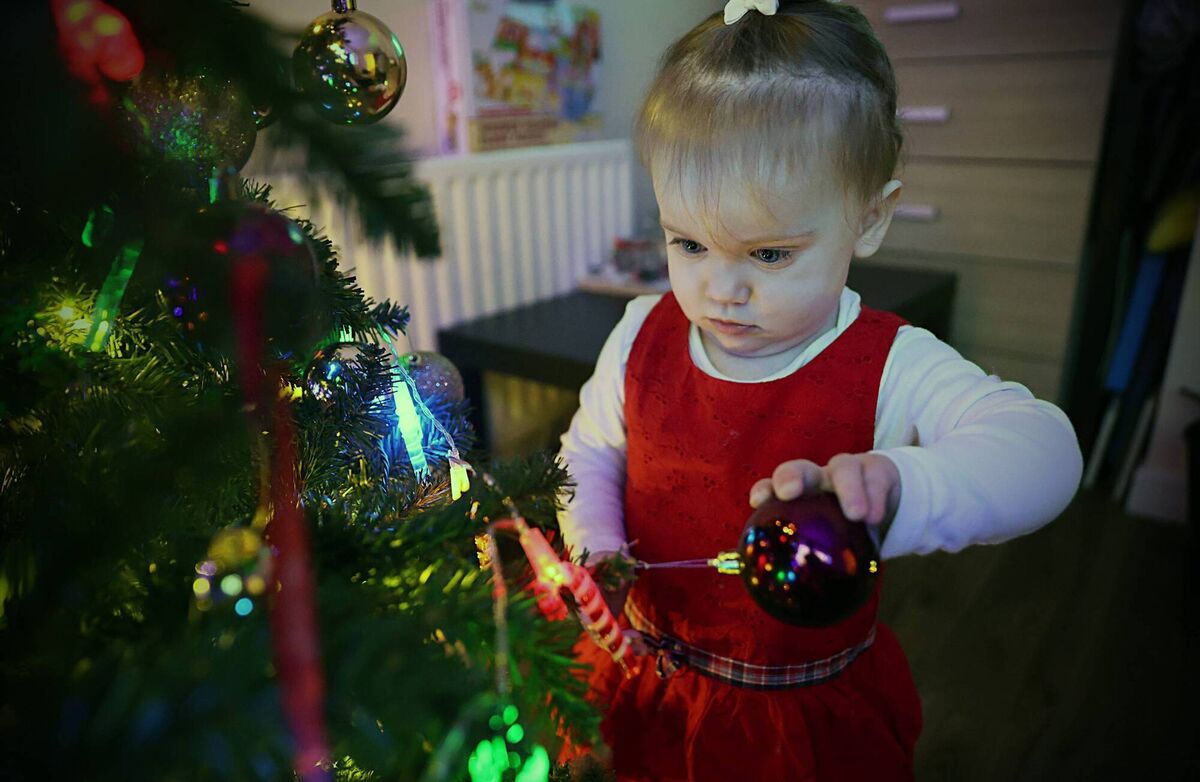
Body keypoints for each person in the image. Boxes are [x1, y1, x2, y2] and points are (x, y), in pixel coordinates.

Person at [555, 1, 1083, 780]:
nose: (720, 289)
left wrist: (901, 489)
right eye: (689, 242)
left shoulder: (891, 362)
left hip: (792, 724)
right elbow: (590, 450)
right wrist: (596, 547)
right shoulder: (640, 332)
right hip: (652, 681)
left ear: (870, 219)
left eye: (769, 254)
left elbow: (1047, 454)